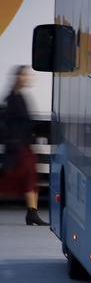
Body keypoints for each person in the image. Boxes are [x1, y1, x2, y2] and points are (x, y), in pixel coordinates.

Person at [1, 66, 47, 225]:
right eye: (24, 75)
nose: (27, 78)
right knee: (17, 180)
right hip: (18, 147)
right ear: (17, 78)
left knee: (28, 179)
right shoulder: (13, 98)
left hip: (24, 146)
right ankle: (32, 214)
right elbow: (12, 124)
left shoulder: (19, 96)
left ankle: (32, 213)